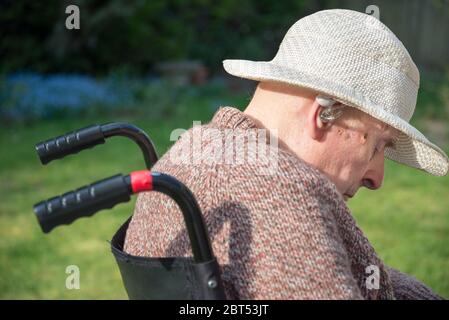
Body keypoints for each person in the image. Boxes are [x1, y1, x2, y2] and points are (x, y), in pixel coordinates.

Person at [124, 9, 448, 299]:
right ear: (322, 116)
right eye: (377, 144)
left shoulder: (189, 153)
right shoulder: (281, 194)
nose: (377, 177)